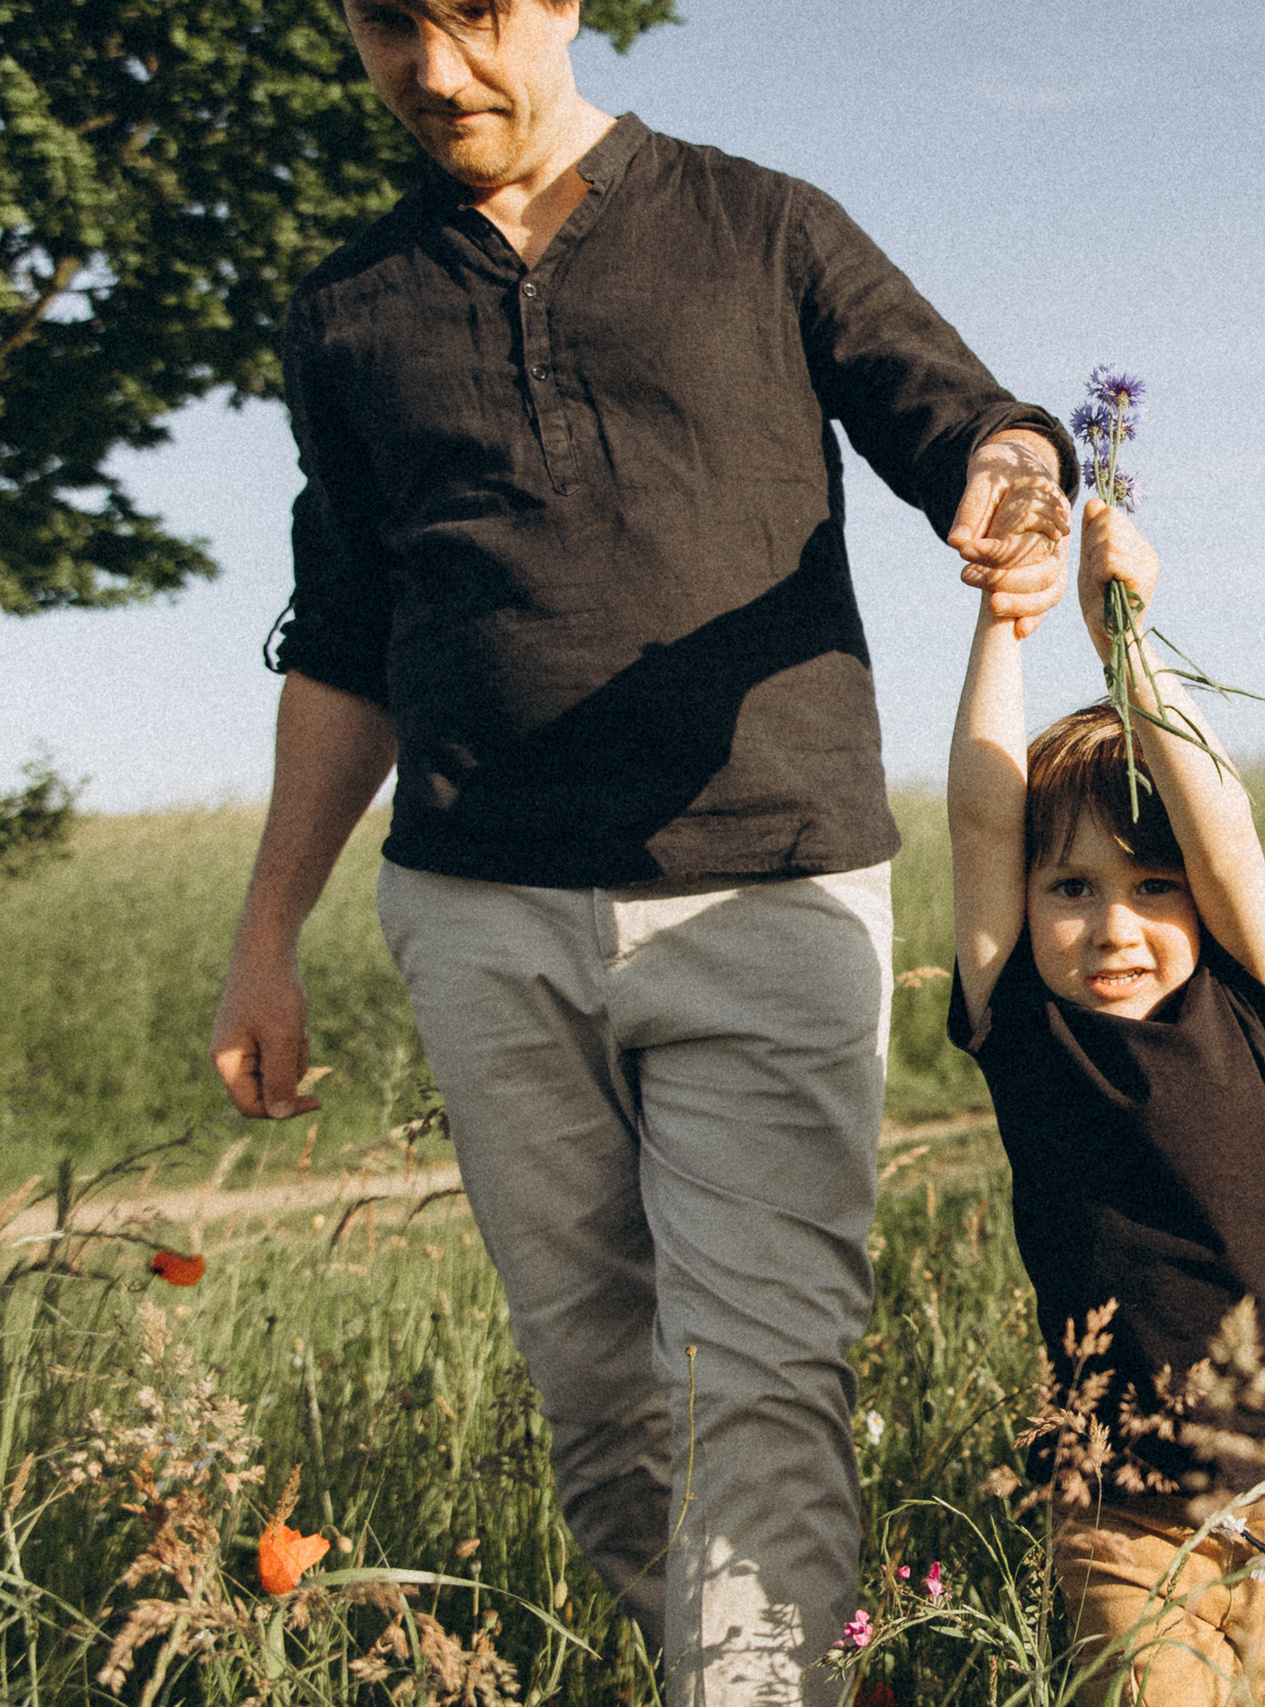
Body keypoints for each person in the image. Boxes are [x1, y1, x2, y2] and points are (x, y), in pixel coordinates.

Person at [204, 0, 1074, 1700]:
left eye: (471, 16)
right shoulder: (347, 311)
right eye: (388, 24)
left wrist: (1020, 476)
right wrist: (268, 935)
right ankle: (805, 1674)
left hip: (764, 891)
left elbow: (963, 414)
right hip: (476, 910)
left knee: (758, 1384)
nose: (433, 72)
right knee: (604, 1410)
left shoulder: (763, 226)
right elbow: (344, 637)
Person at [945, 498, 1265, 1705]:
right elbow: (980, 815)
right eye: (1070, 886)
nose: (1112, 925)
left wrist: (1124, 641)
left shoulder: (1253, 1000)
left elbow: (1220, 820)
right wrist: (1002, 626)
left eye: (1150, 885)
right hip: (1126, 1522)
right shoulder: (1027, 1028)